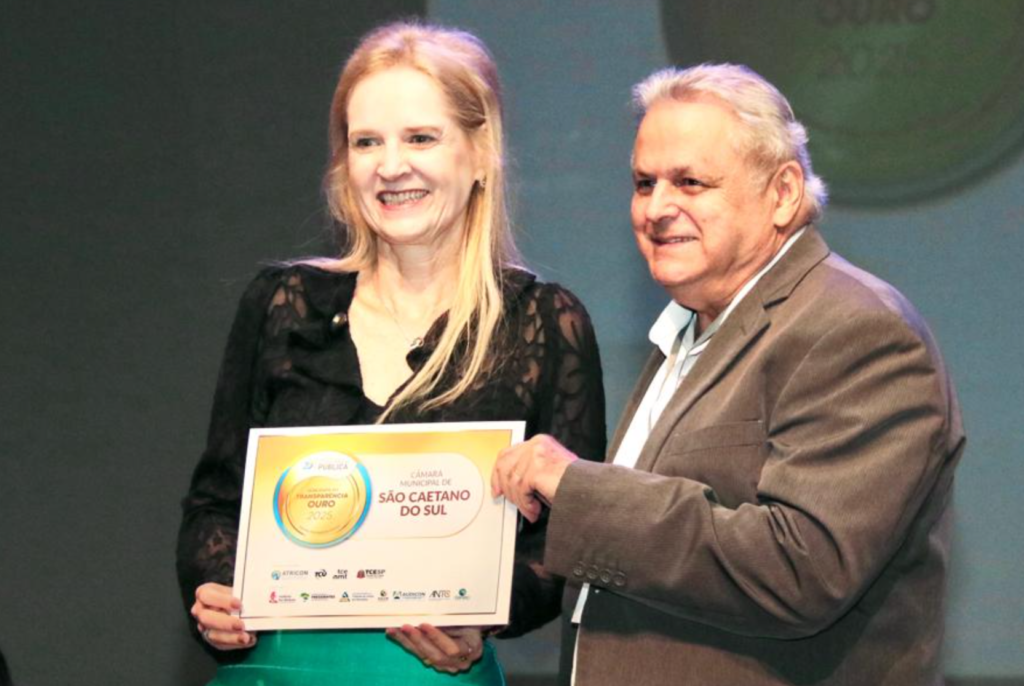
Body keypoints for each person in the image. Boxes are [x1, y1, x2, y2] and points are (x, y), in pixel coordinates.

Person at [493, 63, 964, 686]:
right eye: (644, 183)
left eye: (690, 182)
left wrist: (578, 488)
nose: (657, 208)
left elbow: (801, 569)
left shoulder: (855, 329)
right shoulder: (693, 329)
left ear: (783, 193)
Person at [176, 22, 606, 685]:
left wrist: (481, 619)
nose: (390, 165)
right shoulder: (283, 305)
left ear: (481, 152)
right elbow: (214, 503)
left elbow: (568, 541)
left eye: (420, 138)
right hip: (275, 670)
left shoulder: (544, 324)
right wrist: (215, 591)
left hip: (432, 674)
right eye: (366, 142)